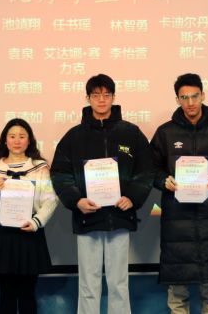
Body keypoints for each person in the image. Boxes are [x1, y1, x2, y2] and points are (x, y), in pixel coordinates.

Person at [50, 73, 155, 314]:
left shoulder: (131, 133)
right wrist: (76, 200)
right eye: (96, 95)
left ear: (113, 97)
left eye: (106, 94)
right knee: (88, 283)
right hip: (87, 217)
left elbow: (146, 170)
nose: (101, 99)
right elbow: (60, 173)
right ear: (88, 98)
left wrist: (133, 197)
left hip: (119, 216)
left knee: (119, 283)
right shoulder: (74, 136)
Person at [150, 73, 208, 314]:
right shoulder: (165, 132)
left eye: (194, 96)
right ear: (177, 99)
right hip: (176, 218)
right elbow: (151, 168)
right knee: (177, 291)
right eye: (184, 97)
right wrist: (163, 180)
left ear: (203, 95)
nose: (190, 102)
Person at [0, 118, 57, 314]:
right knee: (6, 294)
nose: (17, 140)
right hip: (4, 235)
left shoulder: (40, 167)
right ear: (5, 140)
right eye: (12, 136)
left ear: (29, 140)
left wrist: (36, 222)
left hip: (30, 231)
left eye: (22, 136)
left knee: (27, 294)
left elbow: (51, 199)